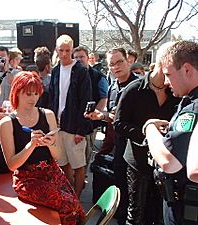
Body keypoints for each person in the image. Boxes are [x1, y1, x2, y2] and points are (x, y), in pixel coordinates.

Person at [0, 71, 85, 225]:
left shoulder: (48, 114)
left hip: (51, 172)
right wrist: (31, 146)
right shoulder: (7, 123)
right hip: (27, 179)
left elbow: (57, 157)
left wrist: (51, 144)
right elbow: (12, 165)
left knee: (76, 207)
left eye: (36, 93)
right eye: (28, 94)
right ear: (17, 93)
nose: (33, 98)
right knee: (69, 205)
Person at [113, 46, 180, 225]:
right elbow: (118, 124)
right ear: (159, 65)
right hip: (138, 162)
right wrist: (146, 132)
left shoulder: (177, 94)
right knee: (136, 215)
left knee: (159, 215)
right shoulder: (134, 89)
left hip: (165, 164)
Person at [143, 41, 198, 225]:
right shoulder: (187, 101)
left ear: (187, 70)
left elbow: (169, 162)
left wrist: (149, 128)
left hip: (185, 207)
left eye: (168, 74)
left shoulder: (194, 108)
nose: (165, 82)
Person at [85, 47, 138, 225]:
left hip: (134, 149)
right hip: (116, 146)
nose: (116, 67)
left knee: (133, 197)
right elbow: (113, 116)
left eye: (119, 62)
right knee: (120, 189)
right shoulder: (113, 86)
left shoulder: (139, 87)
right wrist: (101, 116)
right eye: (111, 64)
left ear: (128, 61)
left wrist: (110, 116)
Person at [49, 34, 92, 198]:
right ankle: (68, 197)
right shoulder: (55, 70)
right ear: (57, 51)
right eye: (61, 50)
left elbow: (86, 100)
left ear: (72, 50)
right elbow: (53, 97)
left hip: (74, 127)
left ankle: (77, 199)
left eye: (67, 50)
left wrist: (81, 129)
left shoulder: (81, 71)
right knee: (64, 163)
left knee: (78, 165)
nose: (64, 54)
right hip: (59, 125)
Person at [73, 46, 108, 168]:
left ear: (88, 58)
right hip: (74, 122)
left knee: (85, 154)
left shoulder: (98, 76)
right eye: (76, 57)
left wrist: (95, 114)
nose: (79, 59)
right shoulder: (71, 75)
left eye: (81, 57)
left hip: (90, 124)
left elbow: (104, 98)